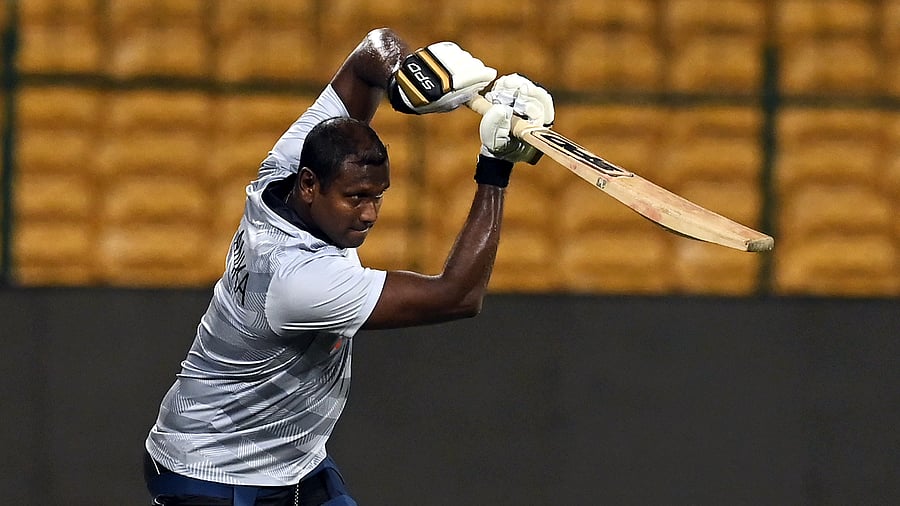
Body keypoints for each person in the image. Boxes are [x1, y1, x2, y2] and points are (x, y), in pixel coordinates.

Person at [143, 27, 554, 506]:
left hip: (292, 462)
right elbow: (457, 296)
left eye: (378, 197)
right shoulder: (300, 281)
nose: (369, 214)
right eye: (355, 198)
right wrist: (494, 168)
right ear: (311, 185)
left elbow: (370, 53)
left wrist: (410, 75)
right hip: (213, 474)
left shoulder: (286, 170)